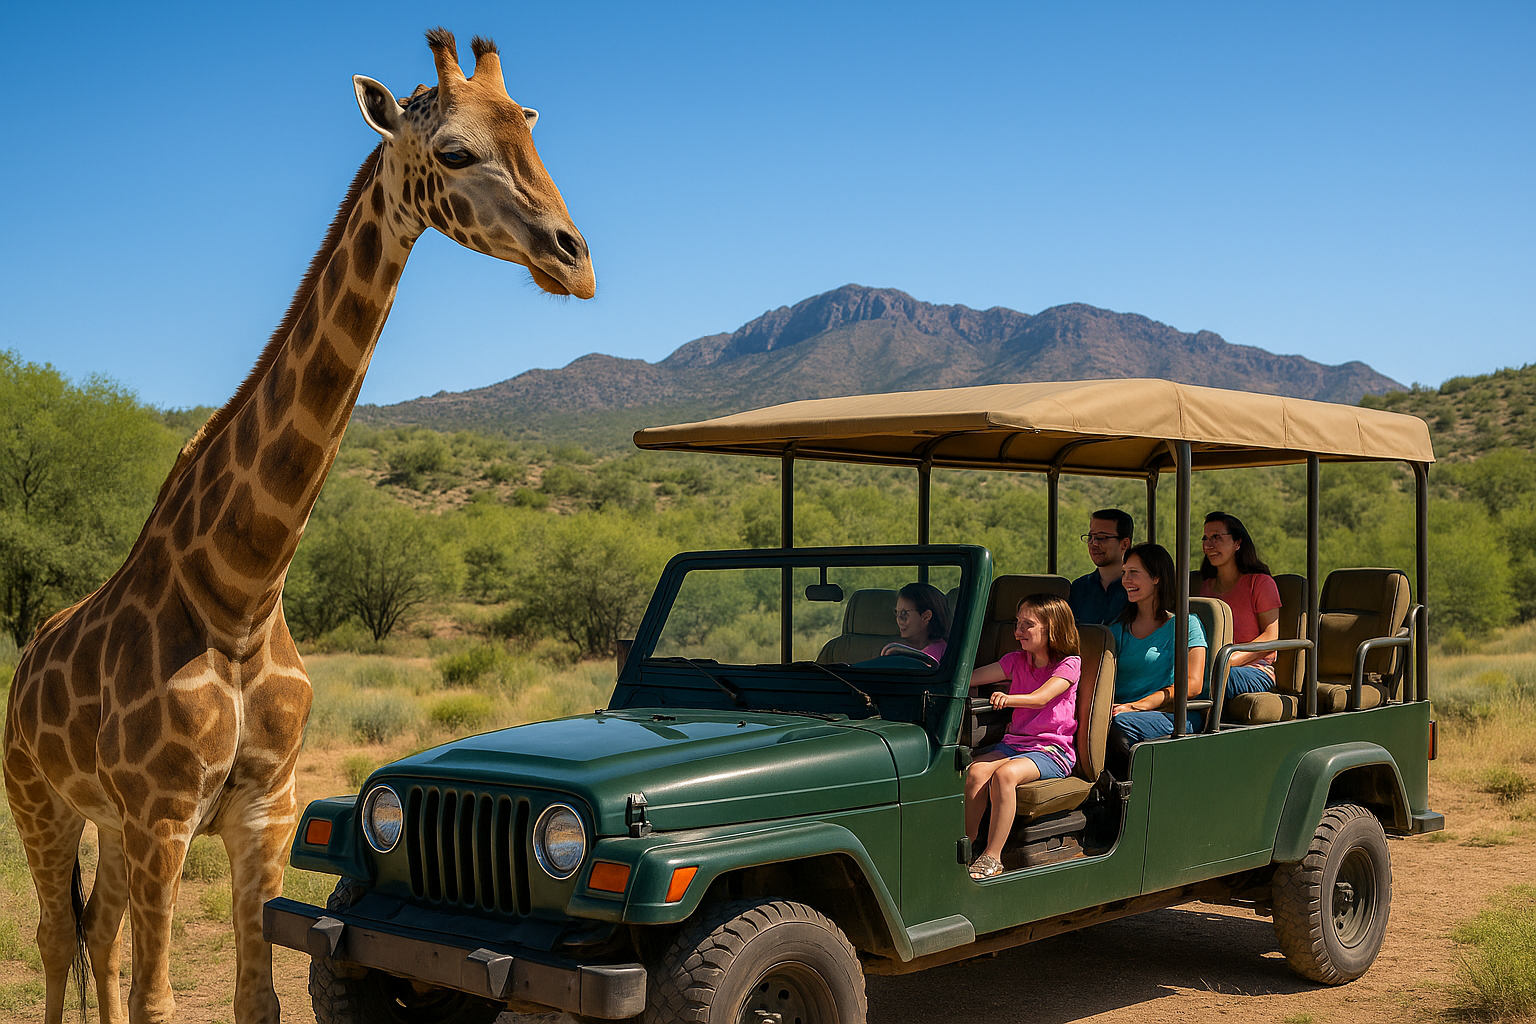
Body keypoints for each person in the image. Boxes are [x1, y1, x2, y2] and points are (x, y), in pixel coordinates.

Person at [964, 593, 1081, 879]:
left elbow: (1042, 698)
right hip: (1015, 744)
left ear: (1051, 628)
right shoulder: (1016, 660)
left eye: (1027, 625)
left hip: (1052, 751)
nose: (1017, 632)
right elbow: (971, 678)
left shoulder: (1069, 664)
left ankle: (992, 856)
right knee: (976, 772)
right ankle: (963, 849)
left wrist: (1009, 698)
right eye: (1017, 624)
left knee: (1005, 775)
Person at [1109, 543, 1208, 751]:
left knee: (1118, 725)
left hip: (1171, 714)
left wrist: (1138, 706)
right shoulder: (1116, 630)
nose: (1126, 580)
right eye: (1124, 573)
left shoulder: (1185, 625)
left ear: (1156, 578)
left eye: (1134, 573)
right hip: (1121, 710)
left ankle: (1125, 783)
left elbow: (1193, 683)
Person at [1198, 511, 1282, 700]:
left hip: (1255, 671)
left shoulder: (1260, 583)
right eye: (1206, 538)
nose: (1208, 545)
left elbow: (1271, 636)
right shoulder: (1206, 586)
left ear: (1238, 543)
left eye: (1216, 537)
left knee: (1210, 678)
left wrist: (1229, 660)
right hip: (1214, 666)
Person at [1069, 509, 1132, 624]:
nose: (1094, 544)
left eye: (1101, 537)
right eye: (1090, 537)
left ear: (1124, 544)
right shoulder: (1079, 587)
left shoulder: (1135, 589)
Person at [882, 581, 952, 662]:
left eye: (905, 613)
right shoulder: (902, 647)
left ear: (926, 616)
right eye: (897, 612)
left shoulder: (931, 655)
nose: (899, 619)